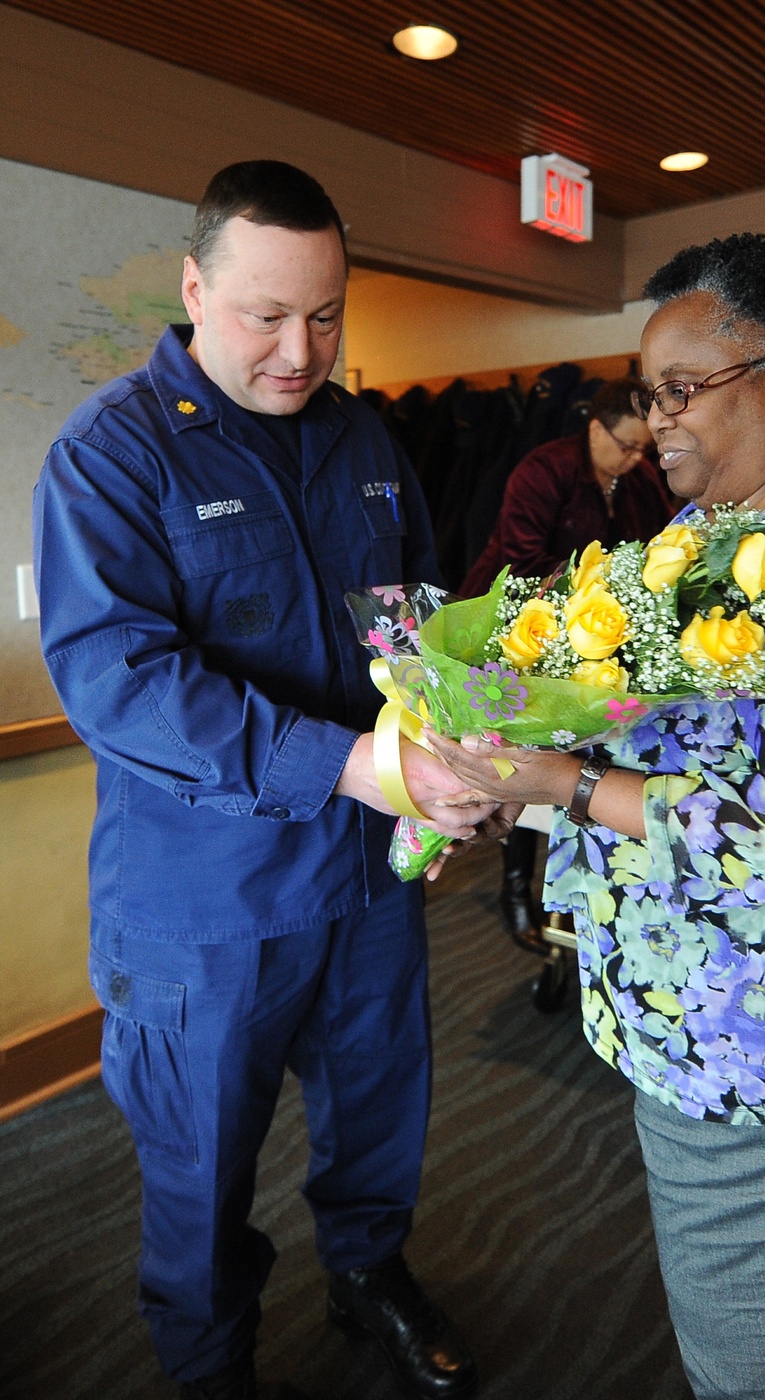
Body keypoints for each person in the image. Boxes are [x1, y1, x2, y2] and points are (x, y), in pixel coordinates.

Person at [426, 233, 765, 1400]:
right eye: (648, 394)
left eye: (683, 389)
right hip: (703, 1015)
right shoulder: (700, 536)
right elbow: (641, 722)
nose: (656, 420)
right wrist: (503, 761)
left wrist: (563, 789)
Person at [33, 161, 496, 1400]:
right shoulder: (109, 457)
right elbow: (121, 682)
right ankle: (210, 1362)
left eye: (328, 313)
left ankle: (367, 1272)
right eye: (265, 315)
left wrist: (447, 749)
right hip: (205, 900)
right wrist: (351, 761)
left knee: (382, 1110)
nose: (303, 349)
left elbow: (413, 620)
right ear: (195, 289)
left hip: (364, 876)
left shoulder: (362, 434)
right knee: (200, 1170)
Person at [461, 381, 674, 953]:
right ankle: (514, 888)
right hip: (516, 632)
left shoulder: (638, 478)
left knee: (577, 759)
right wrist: (598, 594)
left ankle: (574, 886)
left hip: (588, 639)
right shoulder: (544, 469)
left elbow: (655, 549)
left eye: (644, 450)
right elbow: (522, 560)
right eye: (627, 447)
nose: (636, 459)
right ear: (595, 427)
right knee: (522, 758)